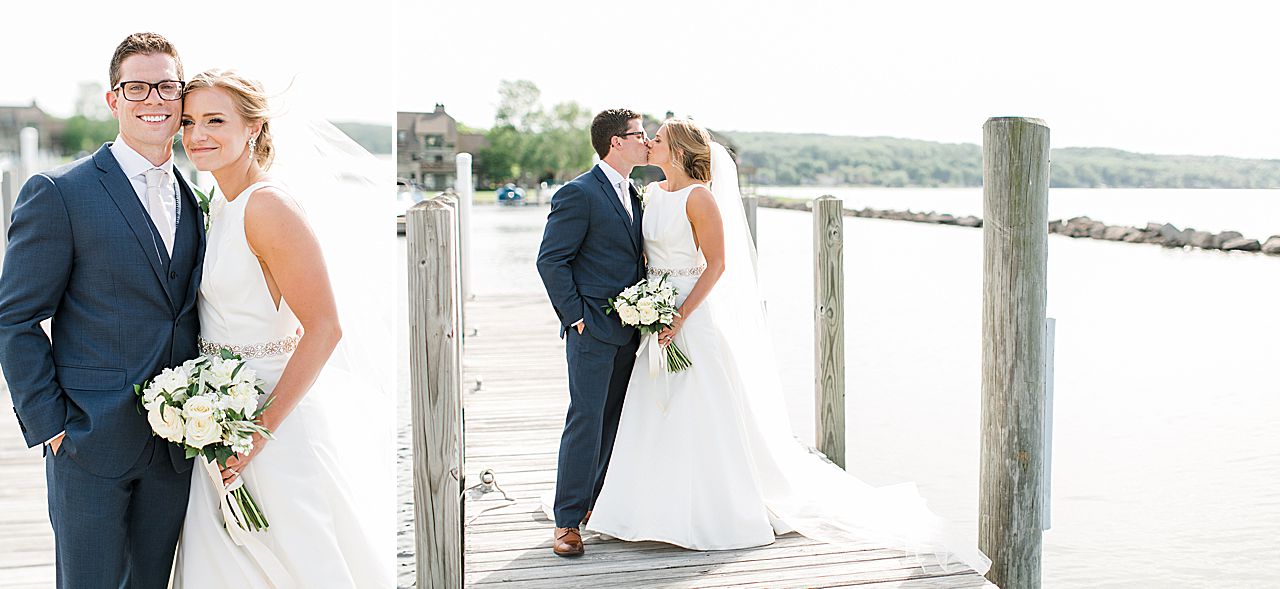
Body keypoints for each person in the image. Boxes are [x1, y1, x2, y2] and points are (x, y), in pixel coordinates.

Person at [585, 118, 991, 574]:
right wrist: (646, 305)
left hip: (691, 317)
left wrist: (680, 315)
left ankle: (713, 510)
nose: (649, 144)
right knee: (654, 407)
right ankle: (641, 507)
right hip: (655, 314)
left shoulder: (701, 199)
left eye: (656, 139)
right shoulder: (653, 195)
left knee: (702, 408)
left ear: (677, 150)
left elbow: (717, 265)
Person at [171, 69, 393, 587]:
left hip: (273, 420)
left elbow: (324, 328)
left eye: (214, 120)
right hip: (219, 416)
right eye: (188, 121)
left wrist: (258, 433)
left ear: (252, 128)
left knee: (299, 557)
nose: (197, 134)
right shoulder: (221, 204)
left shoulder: (268, 206)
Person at [0, 32, 202, 588]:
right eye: (136, 87)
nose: (153, 99)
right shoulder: (60, 192)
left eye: (166, 86)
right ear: (113, 100)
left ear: (182, 97)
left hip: (174, 448)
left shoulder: (194, 198)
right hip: (87, 442)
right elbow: (15, 318)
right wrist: (53, 427)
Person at [535, 108, 649, 557]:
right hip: (592, 329)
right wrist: (576, 315)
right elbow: (551, 260)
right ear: (616, 142)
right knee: (585, 420)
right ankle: (566, 522)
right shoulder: (579, 193)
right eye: (640, 135)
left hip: (630, 329)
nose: (647, 141)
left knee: (613, 420)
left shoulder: (634, 193)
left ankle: (594, 504)